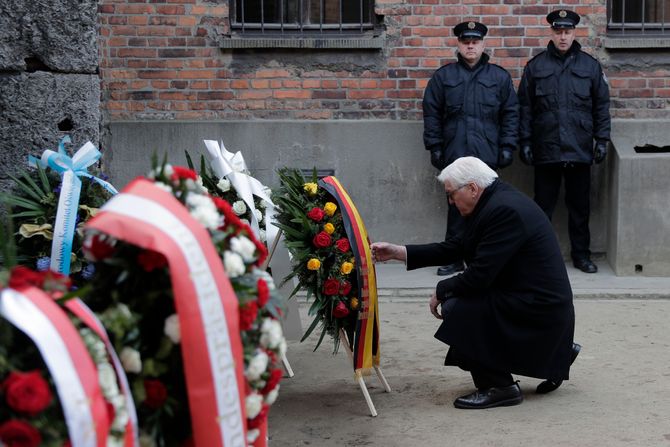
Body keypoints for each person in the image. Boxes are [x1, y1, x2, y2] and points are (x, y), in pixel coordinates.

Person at [371, 157, 580, 409]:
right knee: (462, 304)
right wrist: (398, 252)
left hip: (539, 308)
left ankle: (501, 387)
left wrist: (441, 290)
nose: (450, 201)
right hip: (530, 299)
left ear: (472, 188)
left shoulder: (503, 210)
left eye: (451, 194)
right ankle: (555, 351)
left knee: (456, 307)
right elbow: (458, 246)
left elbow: (480, 276)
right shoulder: (495, 201)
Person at [518, 9, 611, 274]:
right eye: (558, 32)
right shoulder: (536, 67)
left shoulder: (589, 66)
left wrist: (602, 139)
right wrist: (524, 141)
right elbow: (524, 107)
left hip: (580, 148)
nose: (562, 37)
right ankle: (538, 257)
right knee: (542, 209)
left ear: (574, 33)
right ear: (552, 32)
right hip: (545, 148)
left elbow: (601, 106)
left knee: (580, 208)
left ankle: (581, 255)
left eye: (567, 32)